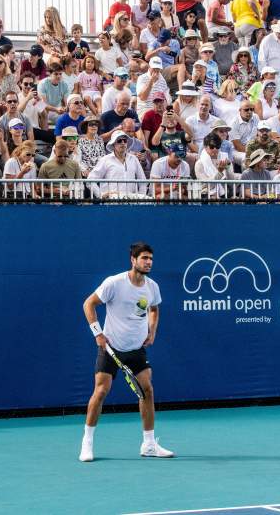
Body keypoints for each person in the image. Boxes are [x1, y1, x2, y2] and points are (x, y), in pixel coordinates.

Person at [80, 241, 170, 463]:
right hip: (111, 349)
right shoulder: (114, 283)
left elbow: (154, 309)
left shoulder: (152, 287)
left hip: (136, 349)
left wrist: (152, 331)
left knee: (147, 390)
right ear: (133, 260)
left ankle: (149, 444)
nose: (149, 262)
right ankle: (87, 443)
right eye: (144, 258)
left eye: (151, 258)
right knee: (101, 391)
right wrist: (97, 334)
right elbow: (88, 304)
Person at [87, 131, 146, 198]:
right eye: (119, 141)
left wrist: (141, 198)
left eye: (125, 140)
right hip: (111, 202)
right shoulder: (105, 160)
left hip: (131, 202)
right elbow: (90, 180)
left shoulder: (134, 159)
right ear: (113, 144)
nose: (123, 143)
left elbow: (142, 180)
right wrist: (101, 195)